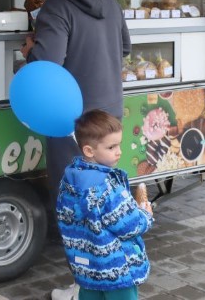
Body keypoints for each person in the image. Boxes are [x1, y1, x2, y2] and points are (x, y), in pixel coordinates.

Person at [19, 0, 130, 299]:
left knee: (75, 209)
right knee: (104, 205)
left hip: (75, 125)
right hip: (110, 118)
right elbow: (124, 49)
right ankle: (108, 280)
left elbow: (47, 64)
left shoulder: (56, 7)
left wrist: (30, 52)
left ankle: (85, 287)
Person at [55, 110, 153, 300]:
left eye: (119, 144)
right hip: (115, 271)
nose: (119, 151)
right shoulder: (107, 186)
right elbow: (128, 225)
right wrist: (145, 215)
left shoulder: (69, 180)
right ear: (89, 151)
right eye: (111, 147)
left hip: (86, 269)